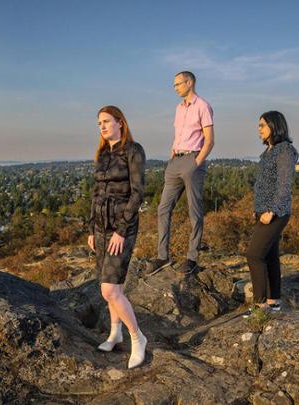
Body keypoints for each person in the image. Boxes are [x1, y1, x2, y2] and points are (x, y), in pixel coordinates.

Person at [88, 105, 147, 369]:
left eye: (106, 121)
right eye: (99, 122)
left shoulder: (133, 150)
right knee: (113, 289)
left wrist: (122, 231)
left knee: (109, 289)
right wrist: (92, 229)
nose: (102, 126)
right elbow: (96, 193)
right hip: (100, 228)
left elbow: (137, 193)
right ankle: (115, 333)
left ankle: (138, 337)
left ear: (120, 123)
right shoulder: (102, 154)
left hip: (122, 228)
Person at [147, 71, 214, 275]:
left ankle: (192, 259)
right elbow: (178, 135)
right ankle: (162, 257)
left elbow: (209, 140)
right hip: (175, 161)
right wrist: (172, 155)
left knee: (194, 211)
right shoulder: (178, 108)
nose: (175, 87)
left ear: (189, 82)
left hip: (192, 161)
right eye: (174, 84)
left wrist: (196, 162)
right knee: (163, 208)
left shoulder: (203, 106)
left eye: (178, 84)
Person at [245, 111, 298, 313]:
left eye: (262, 125)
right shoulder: (268, 151)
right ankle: (273, 301)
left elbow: (283, 186)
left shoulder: (284, 150)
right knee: (269, 256)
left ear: (274, 126)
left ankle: (259, 306)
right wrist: (256, 209)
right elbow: (264, 185)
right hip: (263, 212)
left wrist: (272, 211)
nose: (259, 129)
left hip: (276, 213)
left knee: (253, 255)